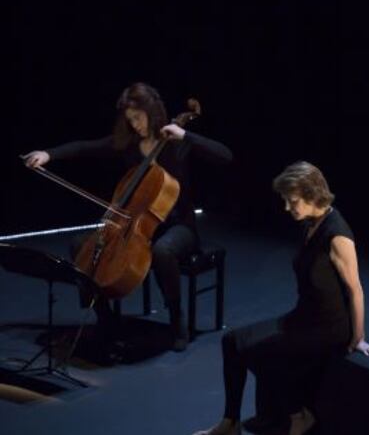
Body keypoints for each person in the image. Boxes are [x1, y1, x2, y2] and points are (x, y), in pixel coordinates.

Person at [22, 82, 233, 353]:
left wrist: (186, 135)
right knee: (80, 246)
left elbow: (225, 156)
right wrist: (48, 154)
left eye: (138, 117)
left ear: (152, 111)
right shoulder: (129, 145)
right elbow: (85, 147)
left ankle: (177, 318)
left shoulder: (176, 143)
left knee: (162, 250)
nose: (134, 125)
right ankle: (105, 319)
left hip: (179, 226)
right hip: (135, 226)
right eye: (130, 120)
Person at [192, 161, 369, 435]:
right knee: (232, 341)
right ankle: (230, 423)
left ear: (313, 194)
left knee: (261, 354)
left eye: (292, 201)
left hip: (328, 327)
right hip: (303, 317)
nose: (286, 207)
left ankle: (300, 416)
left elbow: (355, 289)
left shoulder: (337, 234)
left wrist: (358, 338)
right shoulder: (310, 223)